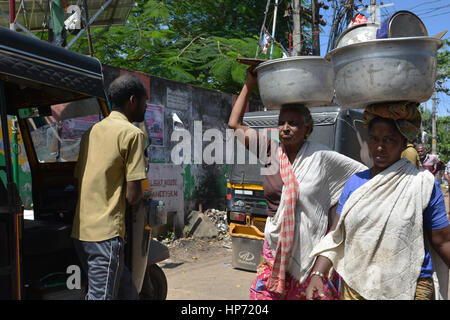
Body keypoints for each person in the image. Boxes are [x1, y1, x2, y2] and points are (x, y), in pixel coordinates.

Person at [228, 66, 367, 300]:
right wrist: (249, 84)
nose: (285, 128)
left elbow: (360, 176)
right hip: (274, 246)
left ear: (307, 129)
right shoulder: (269, 151)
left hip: (310, 251)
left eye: (293, 123)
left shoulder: (322, 158)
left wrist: (336, 218)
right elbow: (235, 125)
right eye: (282, 123)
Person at [306, 102, 450, 300]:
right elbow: (337, 233)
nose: (380, 147)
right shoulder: (355, 184)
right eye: (374, 139)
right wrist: (318, 273)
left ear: (403, 142)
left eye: (389, 140)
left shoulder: (422, 184)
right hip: (357, 284)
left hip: (409, 286)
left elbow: (442, 240)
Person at [71, 73, 148, 300]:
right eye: (145, 102)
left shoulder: (90, 132)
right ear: (132, 100)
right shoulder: (133, 134)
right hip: (106, 234)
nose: (146, 107)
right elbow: (133, 195)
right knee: (101, 296)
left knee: (126, 292)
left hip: (81, 231)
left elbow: (81, 180)